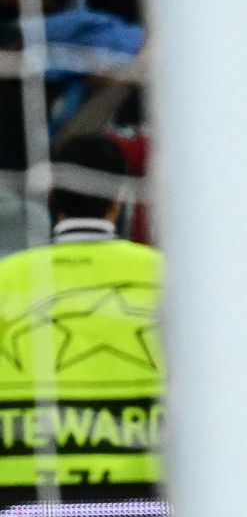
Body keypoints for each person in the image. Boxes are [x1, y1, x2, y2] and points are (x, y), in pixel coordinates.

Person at [0, 136, 161, 491]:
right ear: (121, 197)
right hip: (143, 496)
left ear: (51, 196)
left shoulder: (6, 279)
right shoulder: (167, 277)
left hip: (20, 500)